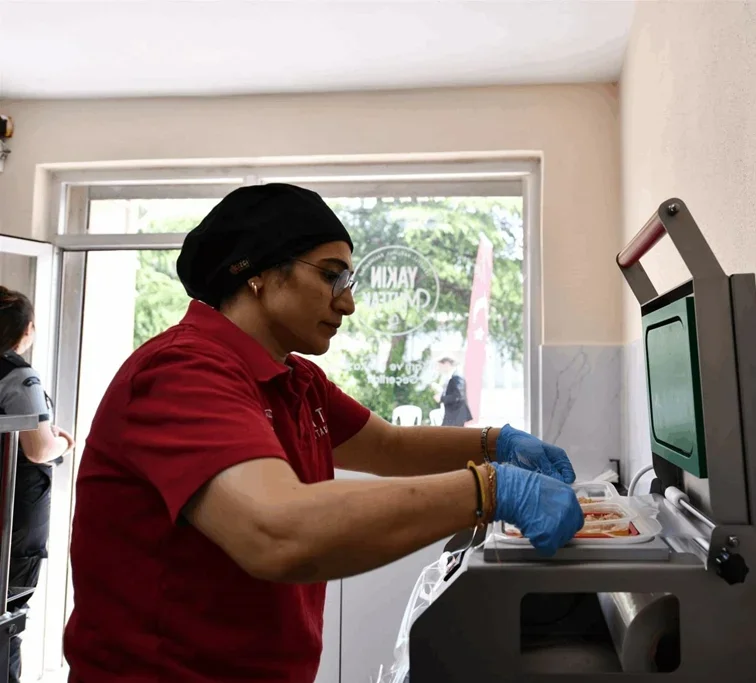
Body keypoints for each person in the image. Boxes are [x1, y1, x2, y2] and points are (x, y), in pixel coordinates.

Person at [63, 183, 583, 683]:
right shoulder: (182, 371)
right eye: (332, 277)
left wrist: (497, 443)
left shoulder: (295, 379)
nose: (347, 304)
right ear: (258, 273)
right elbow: (276, 531)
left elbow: (389, 447)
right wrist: (490, 490)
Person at [0, 287, 74, 683]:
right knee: (7, 621)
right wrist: (63, 442)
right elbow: (39, 448)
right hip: (12, 522)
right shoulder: (18, 375)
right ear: (26, 329)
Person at [434, 355, 473, 426]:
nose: (439, 368)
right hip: (453, 415)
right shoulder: (452, 376)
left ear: (446, 364)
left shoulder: (457, 376)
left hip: (456, 415)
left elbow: (458, 396)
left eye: (440, 365)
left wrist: (441, 398)